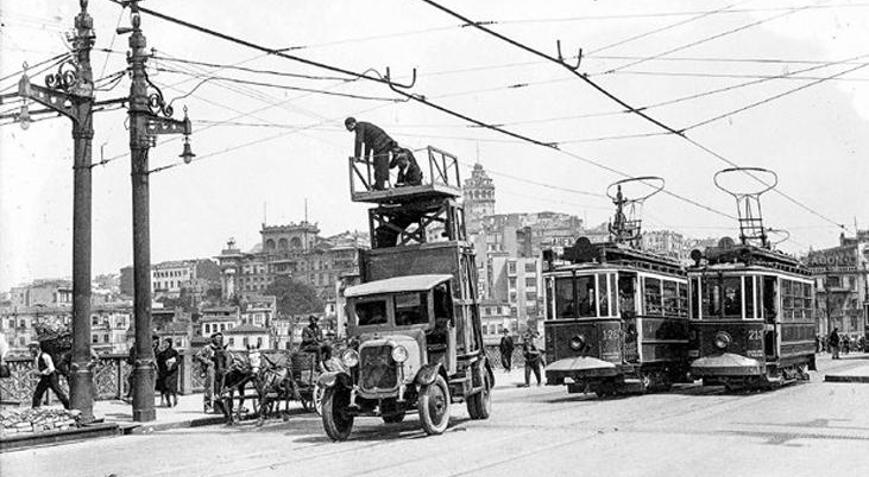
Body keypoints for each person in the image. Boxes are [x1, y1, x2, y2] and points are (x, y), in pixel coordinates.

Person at [345, 117, 397, 190]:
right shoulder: (363, 126)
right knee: (378, 164)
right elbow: (368, 143)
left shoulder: (359, 127)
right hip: (382, 144)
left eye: (347, 127)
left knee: (380, 165)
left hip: (381, 144)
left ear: (352, 124)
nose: (347, 129)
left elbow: (359, 142)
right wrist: (367, 156)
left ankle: (380, 186)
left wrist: (357, 156)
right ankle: (379, 184)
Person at [30, 341, 70, 409]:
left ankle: (68, 406)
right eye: (30, 348)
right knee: (37, 393)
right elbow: (40, 368)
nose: (31, 350)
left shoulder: (45, 356)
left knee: (58, 392)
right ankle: (35, 408)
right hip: (44, 377)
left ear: (38, 348)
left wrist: (41, 373)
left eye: (33, 348)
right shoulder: (36, 358)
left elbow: (51, 368)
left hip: (51, 376)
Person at [196, 333, 227, 412]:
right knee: (210, 387)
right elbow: (198, 355)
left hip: (220, 368)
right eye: (217, 338)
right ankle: (208, 405)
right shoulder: (208, 348)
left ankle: (219, 406)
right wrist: (207, 361)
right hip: (211, 368)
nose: (219, 340)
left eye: (220, 338)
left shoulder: (222, 347)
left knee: (221, 386)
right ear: (213, 339)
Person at [156, 338, 180, 407]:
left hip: (173, 372)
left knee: (173, 387)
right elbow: (159, 362)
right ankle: (168, 401)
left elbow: (178, 360)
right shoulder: (161, 353)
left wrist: (172, 366)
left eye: (167, 343)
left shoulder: (174, 352)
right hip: (165, 373)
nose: (165, 345)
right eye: (164, 343)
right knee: (166, 387)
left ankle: (175, 398)